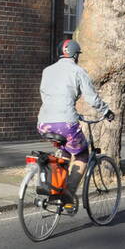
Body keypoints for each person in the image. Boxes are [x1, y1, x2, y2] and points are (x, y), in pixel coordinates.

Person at [38, 39, 113, 206]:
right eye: (78, 55)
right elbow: (92, 99)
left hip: (43, 123)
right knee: (82, 155)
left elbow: (46, 95)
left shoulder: (47, 71)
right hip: (66, 123)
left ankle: (56, 188)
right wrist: (106, 111)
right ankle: (68, 195)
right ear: (74, 55)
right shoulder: (78, 71)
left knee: (64, 152)